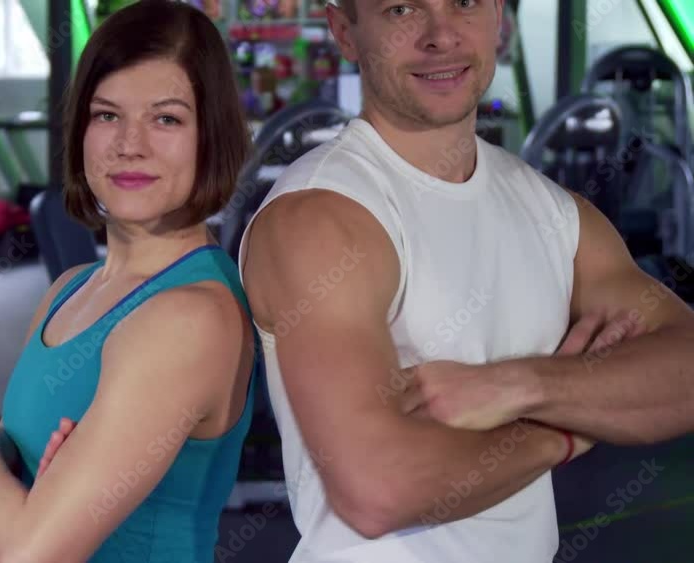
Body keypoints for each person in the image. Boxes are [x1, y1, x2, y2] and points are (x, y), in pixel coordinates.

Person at [238, 0, 694, 562]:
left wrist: (519, 386)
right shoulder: (321, 217)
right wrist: (567, 431)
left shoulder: (555, 213)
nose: (441, 36)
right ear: (344, 32)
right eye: (402, 9)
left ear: (496, 16)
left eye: (464, 4)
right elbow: (378, 490)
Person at [0, 2, 258, 561]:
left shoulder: (189, 317)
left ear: (211, 137)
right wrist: (9, 511)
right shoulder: (68, 288)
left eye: (166, 118)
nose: (129, 144)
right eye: (107, 115)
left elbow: (22, 555)